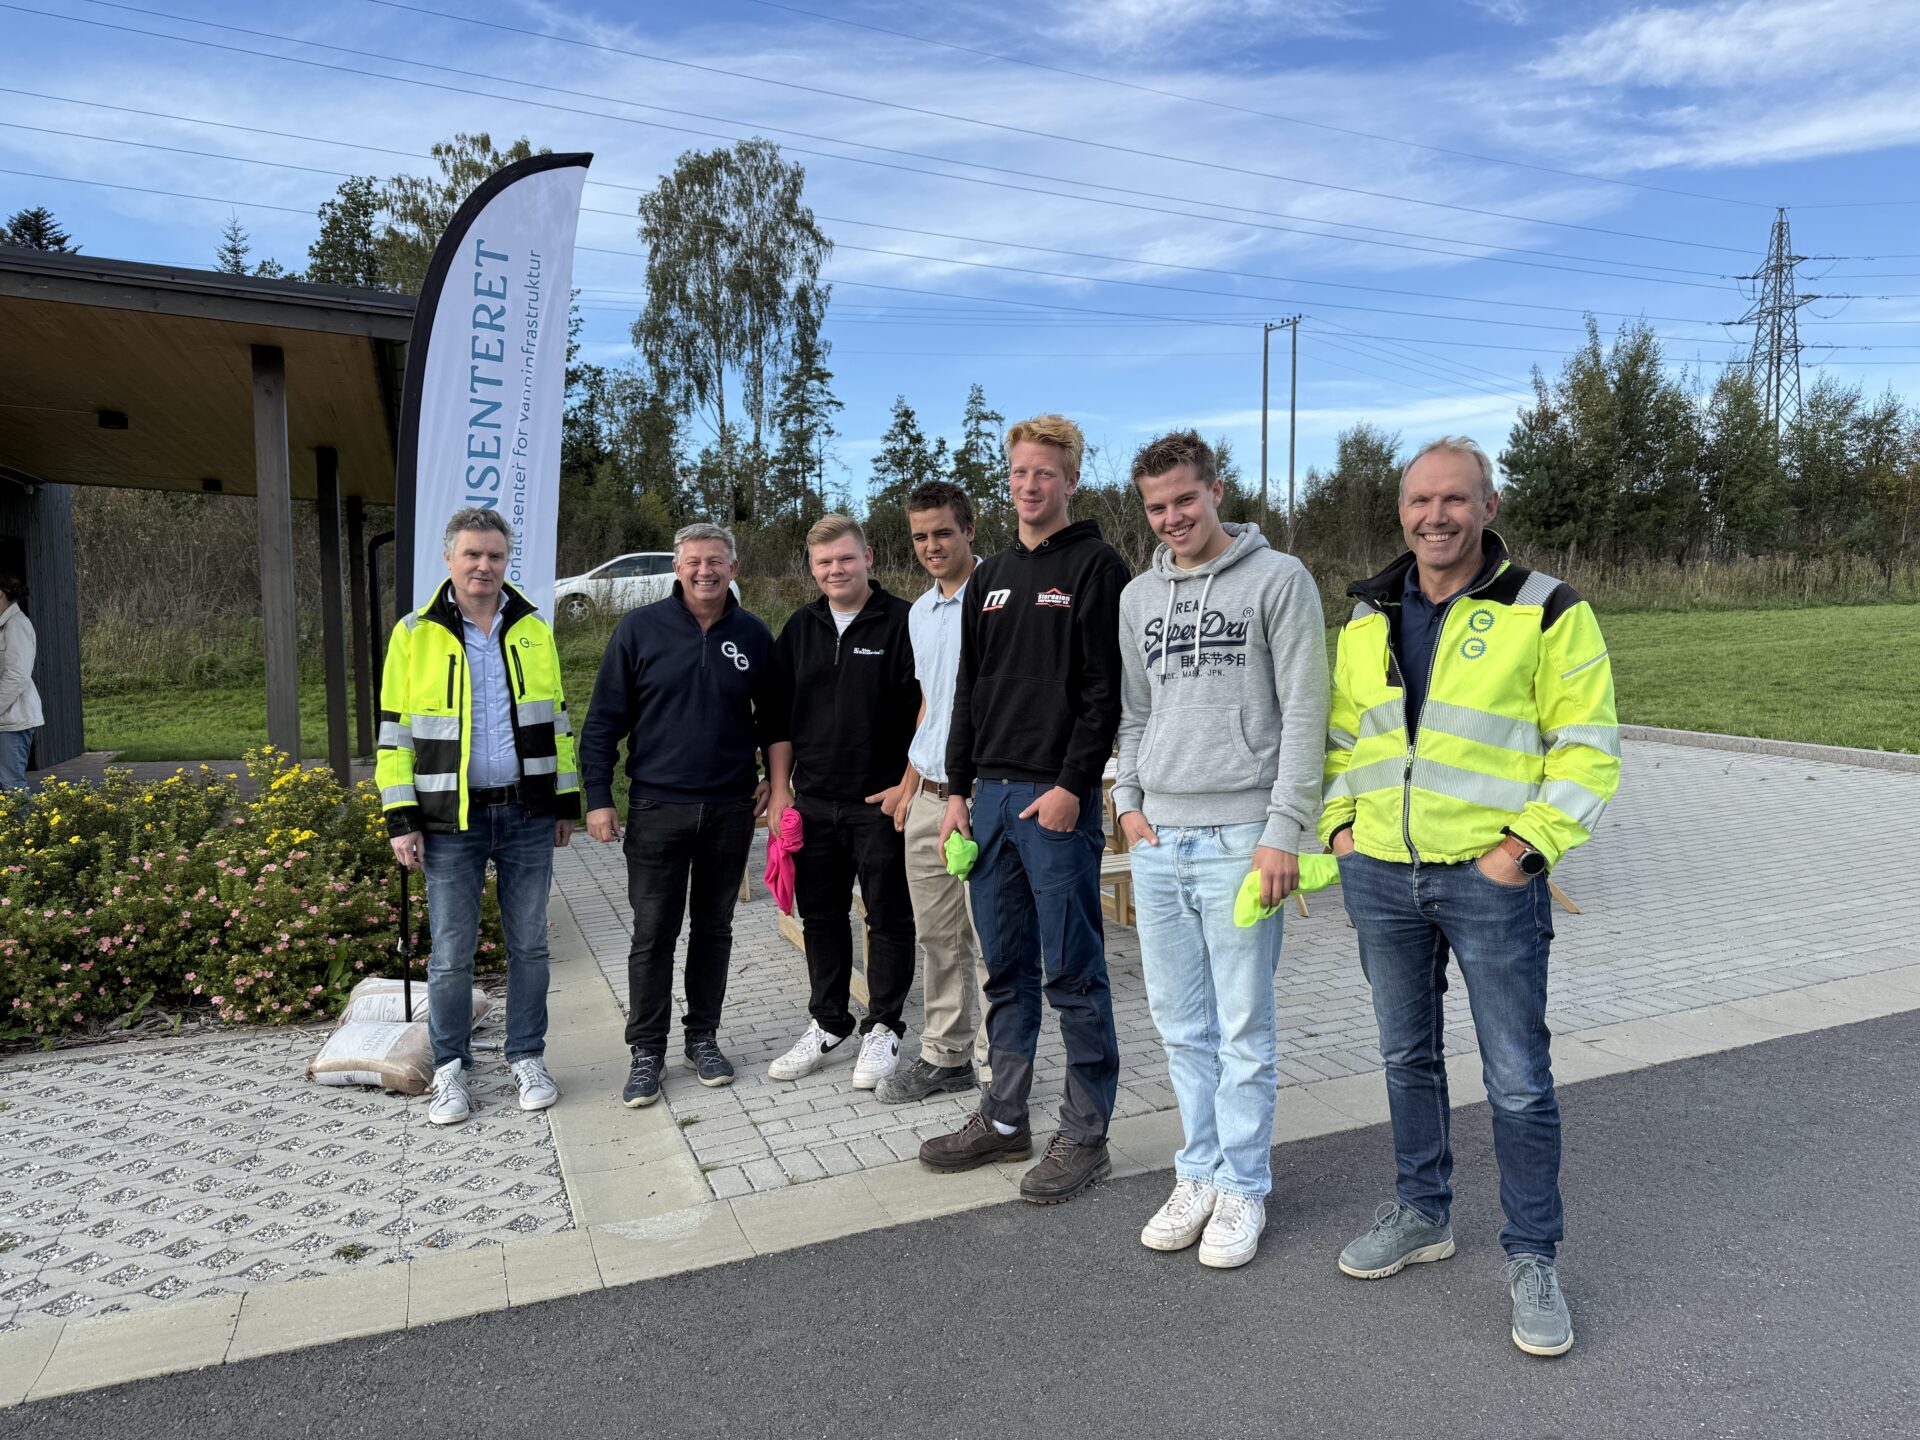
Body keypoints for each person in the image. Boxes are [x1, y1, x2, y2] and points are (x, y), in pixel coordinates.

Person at [1322, 436, 1619, 1357]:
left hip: (1489, 879)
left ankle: (1532, 1256)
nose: (1435, 517)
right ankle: (1421, 1211)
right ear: (1401, 512)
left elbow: (1587, 746)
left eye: (1455, 500)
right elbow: (1344, 743)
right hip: (1381, 871)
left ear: (1488, 506)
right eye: (1419, 502)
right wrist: (1341, 831)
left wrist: (1523, 853)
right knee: (1406, 1055)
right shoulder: (1367, 617)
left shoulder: (1547, 609)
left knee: (1518, 1080)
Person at [1112, 430, 1327, 1268]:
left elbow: (1306, 712)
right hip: (1159, 837)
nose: (1171, 519)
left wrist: (1283, 833)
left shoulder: (1280, 579)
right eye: (1156, 508)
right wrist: (1129, 808)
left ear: (1215, 491)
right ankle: (1196, 1170)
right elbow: (1133, 714)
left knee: (1243, 1026)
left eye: (1184, 501)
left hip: (1243, 836)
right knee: (1179, 1024)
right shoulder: (1137, 599)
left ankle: (1244, 1186)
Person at [922, 413, 1129, 1205]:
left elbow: (1102, 692)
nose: (1030, 485)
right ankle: (1004, 1119)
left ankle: (1086, 1132)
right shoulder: (992, 574)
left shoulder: (1096, 567)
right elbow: (967, 693)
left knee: (1073, 972)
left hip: (1053, 800)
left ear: (1072, 478)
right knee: (1004, 968)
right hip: (989, 802)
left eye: (1045, 472)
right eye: (1018, 473)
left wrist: (1075, 787)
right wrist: (956, 793)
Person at [377, 508, 580, 1126]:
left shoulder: (532, 628)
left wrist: (564, 801)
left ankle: (526, 1056)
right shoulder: (414, 633)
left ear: (505, 560)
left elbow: (557, 720)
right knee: (451, 954)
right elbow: (394, 734)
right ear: (449, 560)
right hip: (447, 822)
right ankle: (448, 1071)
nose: (484, 566)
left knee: (531, 946)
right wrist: (399, 817)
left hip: (524, 813)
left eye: (494, 556)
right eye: (472, 555)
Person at [578, 523, 782, 1109]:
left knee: (714, 929)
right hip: (656, 807)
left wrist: (775, 778)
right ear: (677, 566)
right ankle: (647, 1051)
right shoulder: (638, 630)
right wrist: (597, 798)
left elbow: (775, 721)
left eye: (715, 561)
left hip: (729, 809)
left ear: (733, 568)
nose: (704, 571)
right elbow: (602, 724)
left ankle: (703, 1038)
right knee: (652, 935)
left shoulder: (753, 634)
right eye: (694, 561)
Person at [763, 515, 921, 1090]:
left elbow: (929, 709)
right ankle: (828, 1022)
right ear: (812, 568)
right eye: (825, 563)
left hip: (880, 802)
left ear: (869, 557)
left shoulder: (905, 621)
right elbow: (775, 718)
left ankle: (883, 1028)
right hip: (813, 802)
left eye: (846, 559)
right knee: (820, 917)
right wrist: (781, 792)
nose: (836, 570)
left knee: (888, 917)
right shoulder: (800, 628)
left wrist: (909, 783)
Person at [869, 480, 993, 1105]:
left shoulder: (998, 599)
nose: (931, 545)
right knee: (938, 936)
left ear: (969, 529)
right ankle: (947, 1055)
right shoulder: (919, 612)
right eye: (920, 536)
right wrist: (909, 783)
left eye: (943, 532)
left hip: (979, 796)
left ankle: (1000, 1068)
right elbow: (930, 702)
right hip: (925, 797)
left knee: (993, 938)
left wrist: (964, 791)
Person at [0, 571, 42, 793]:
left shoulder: (17, 625)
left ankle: (25, 828)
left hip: (12, 722)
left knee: (11, 787)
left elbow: (16, 676)